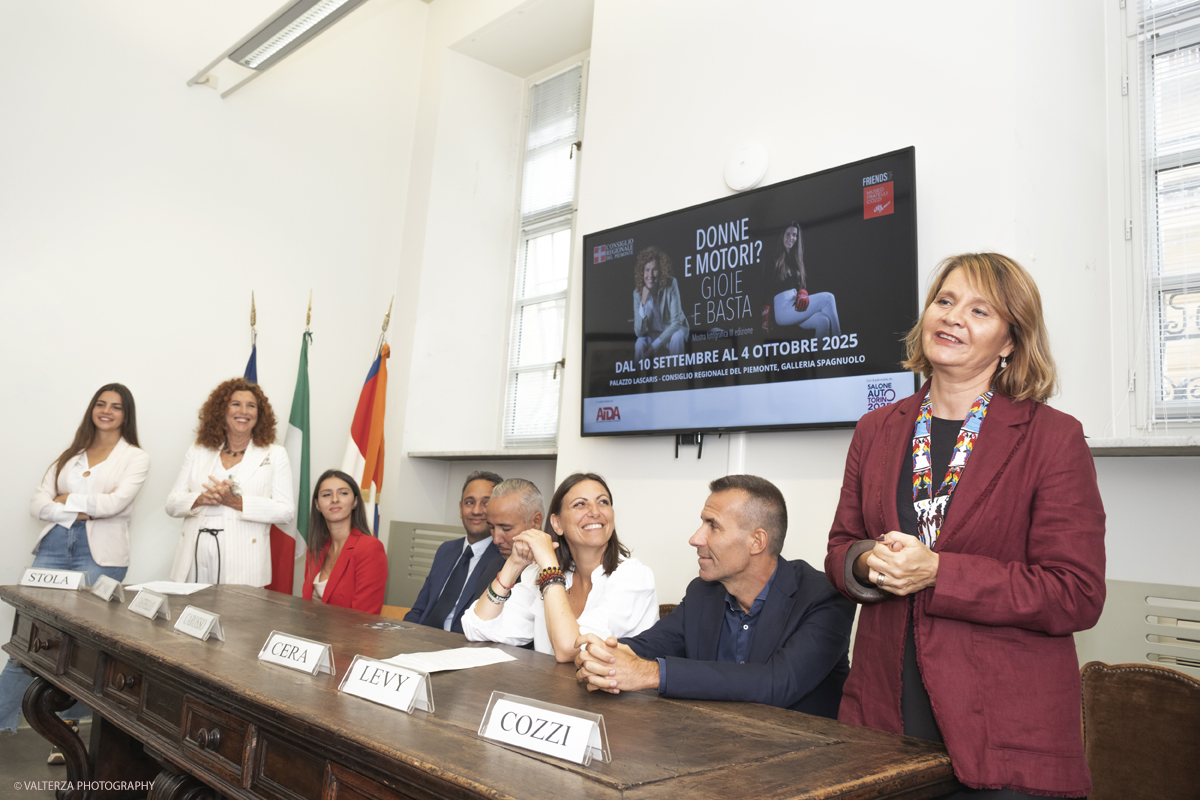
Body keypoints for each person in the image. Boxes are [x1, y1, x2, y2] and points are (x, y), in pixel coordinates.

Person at [825, 253, 1106, 799]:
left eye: (979, 310)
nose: (952, 317)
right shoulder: (876, 428)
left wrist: (938, 573)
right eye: (945, 301)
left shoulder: (1053, 437)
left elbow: (1076, 593)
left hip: (1004, 732)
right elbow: (840, 549)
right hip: (884, 718)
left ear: (1009, 342)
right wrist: (865, 562)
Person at [574, 475, 853, 718]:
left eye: (713, 525)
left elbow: (776, 683)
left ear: (757, 541)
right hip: (707, 750)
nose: (695, 538)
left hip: (803, 765)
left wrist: (651, 673)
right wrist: (604, 657)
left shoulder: (824, 597)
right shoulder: (703, 592)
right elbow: (650, 645)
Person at [3, 383, 150, 747]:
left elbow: (116, 503)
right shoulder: (71, 454)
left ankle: (69, 735)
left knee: (85, 646)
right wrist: (78, 508)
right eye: (101, 404)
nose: (107, 411)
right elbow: (38, 505)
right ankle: (4, 719)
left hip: (100, 554)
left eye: (116, 406)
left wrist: (66, 499)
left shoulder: (135, 457)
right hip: (54, 545)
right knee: (31, 636)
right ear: (92, 409)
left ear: (126, 415)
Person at [462, 473, 658, 661]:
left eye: (603, 502)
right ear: (556, 523)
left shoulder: (633, 577)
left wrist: (548, 564)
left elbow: (569, 649)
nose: (595, 512)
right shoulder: (540, 574)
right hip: (551, 690)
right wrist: (514, 564)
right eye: (580, 504)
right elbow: (476, 627)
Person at [166, 377, 294, 587]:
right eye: (235, 404)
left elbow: (286, 511)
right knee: (192, 617)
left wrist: (234, 501)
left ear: (259, 415)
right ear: (221, 411)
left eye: (251, 406)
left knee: (237, 619)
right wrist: (201, 498)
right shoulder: (198, 450)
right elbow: (171, 504)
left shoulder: (275, 454)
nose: (243, 411)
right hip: (194, 558)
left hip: (244, 565)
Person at [405, 471, 504, 632]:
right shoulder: (446, 550)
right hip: (422, 640)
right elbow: (419, 610)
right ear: (460, 508)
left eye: (486, 503)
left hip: (462, 647)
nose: (476, 511)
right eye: (470, 502)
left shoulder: (504, 559)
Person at [301, 469, 387, 614]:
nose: (335, 499)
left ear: (355, 502)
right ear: (317, 505)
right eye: (327, 495)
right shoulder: (315, 549)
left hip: (351, 635)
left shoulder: (370, 548)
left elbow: (363, 618)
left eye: (343, 493)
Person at [759, 222, 840, 339]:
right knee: (829, 298)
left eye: (794, 235)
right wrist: (765, 318)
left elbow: (799, 286)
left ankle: (822, 356)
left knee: (823, 321)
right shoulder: (773, 260)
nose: (791, 238)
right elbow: (766, 289)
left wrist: (803, 292)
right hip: (782, 308)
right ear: (782, 236)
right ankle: (841, 339)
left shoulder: (796, 261)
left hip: (795, 305)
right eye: (788, 234)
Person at [633, 246, 689, 362]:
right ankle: (638, 377)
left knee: (678, 336)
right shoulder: (637, 293)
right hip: (652, 334)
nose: (650, 275)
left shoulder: (671, 283)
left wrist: (654, 346)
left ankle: (678, 375)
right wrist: (643, 304)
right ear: (642, 272)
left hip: (671, 331)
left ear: (661, 271)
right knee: (639, 342)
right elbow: (639, 332)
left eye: (655, 269)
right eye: (647, 270)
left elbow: (677, 322)